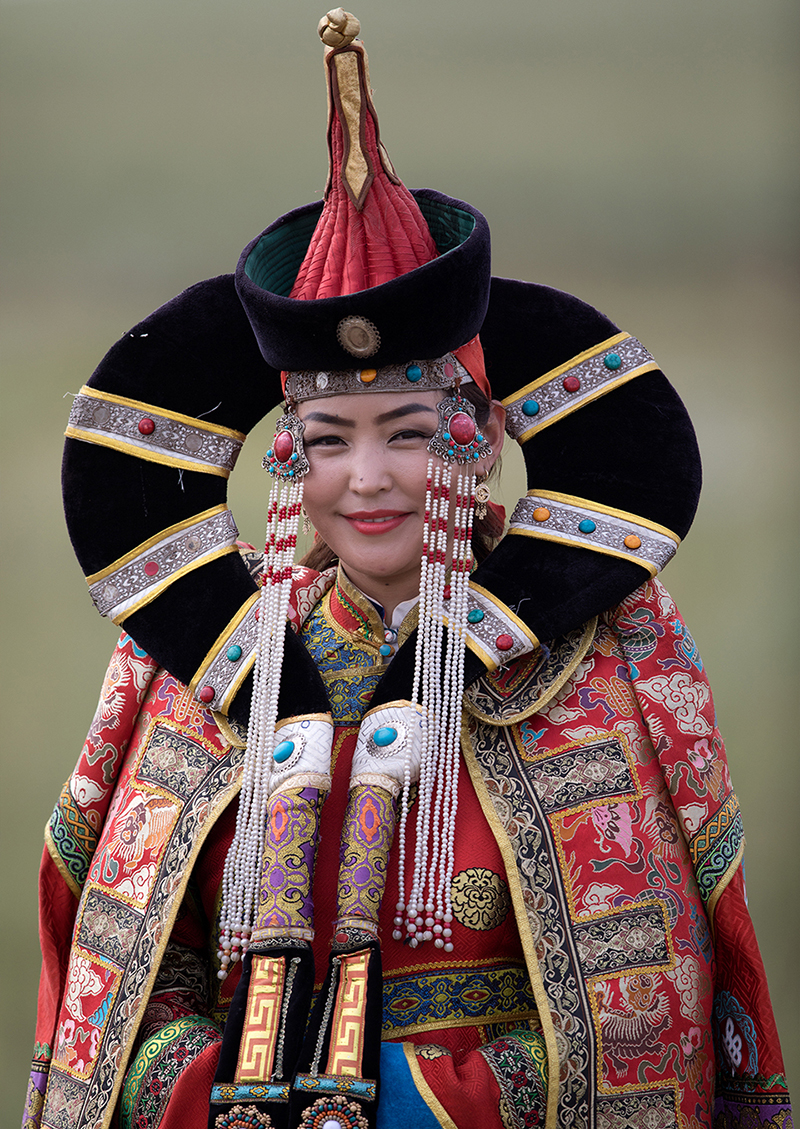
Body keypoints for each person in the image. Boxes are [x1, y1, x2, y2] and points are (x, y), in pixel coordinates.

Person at [23, 10, 791, 1129]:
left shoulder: (592, 662)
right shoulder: (186, 674)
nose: (367, 480)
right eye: (329, 442)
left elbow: (648, 1013)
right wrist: (224, 1093)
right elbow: (122, 991)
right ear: (286, 464)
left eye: (411, 433)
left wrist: (409, 1102)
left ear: (476, 439)